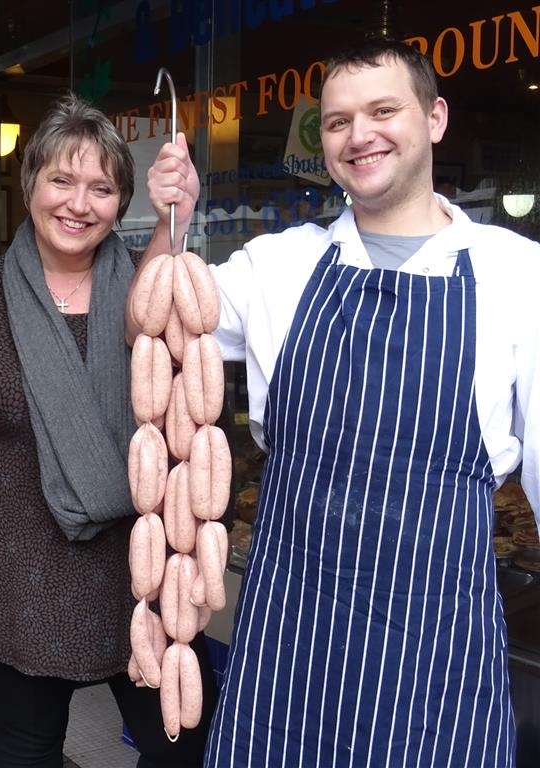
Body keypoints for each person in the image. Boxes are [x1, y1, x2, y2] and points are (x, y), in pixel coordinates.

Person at [137, 40, 539, 767]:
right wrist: (172, 217)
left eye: (384, 110)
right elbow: (154, 320)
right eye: (337, 121)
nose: (360, 135)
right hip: (290, 637)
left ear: (436, 118)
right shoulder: (281, 265)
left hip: (437, 651)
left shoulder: (518, 276)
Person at [0, 93, 218, 768]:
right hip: (19, 571)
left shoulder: (149, 291)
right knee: (26, 748)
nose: (78, 203)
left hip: (141, 569)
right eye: (62, 180)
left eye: (102, 188)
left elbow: (152, 323)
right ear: (30, 181)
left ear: (122, 203)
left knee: (179, 743)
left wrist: (177, 213)